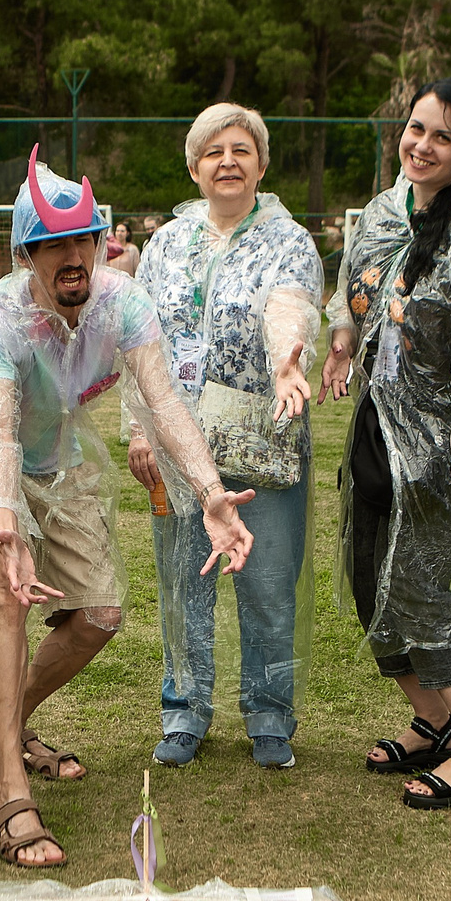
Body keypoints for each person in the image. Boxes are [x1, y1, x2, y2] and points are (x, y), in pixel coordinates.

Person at [0, 151, 257, 867]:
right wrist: (6, 528)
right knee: (9, 586)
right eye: (54, 243)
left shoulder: (123, 301)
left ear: (100, 241)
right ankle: (9, 788)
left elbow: (163, 399)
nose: (72, 255)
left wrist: (210, 492)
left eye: (83, 238)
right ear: (27, 253)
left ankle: (8, 723)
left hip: (58, 453)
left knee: (100, 614)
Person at [325, 78, 451, 810]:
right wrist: (343, 338)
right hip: (381, 421)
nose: (422, 145)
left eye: (442, 136)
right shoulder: (388, 207)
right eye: (416, 129)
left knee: (417, 583)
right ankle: (434, 719)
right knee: (366, 575)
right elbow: (358, 284)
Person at [129, 104, 321, 770]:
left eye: (242, 149)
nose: (228, 161)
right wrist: (138, 428)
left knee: (267, 584)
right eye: (214, 152)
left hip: (259, 446)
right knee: (185, 585)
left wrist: (288, 359)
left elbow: (288, 304)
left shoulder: (288, 240)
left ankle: (269, 713)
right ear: (194, 166)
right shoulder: (164, 246)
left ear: (262, 165)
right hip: (182, 449)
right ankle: (184, 707)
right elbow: (140, 340)